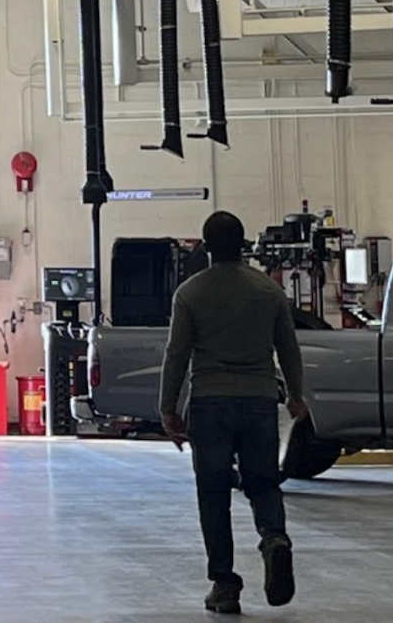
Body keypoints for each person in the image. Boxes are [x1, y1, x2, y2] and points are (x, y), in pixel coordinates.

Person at [159, 211, 305, 615]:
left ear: (205, 247)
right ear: (242, 245)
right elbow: (288, 348)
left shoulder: (190, 293)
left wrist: (167, 407)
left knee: (213, 493)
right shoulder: (268, 291)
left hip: (209, 403)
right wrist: (296, 394)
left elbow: (177, 354)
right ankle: (274, 536)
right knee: (263, 482)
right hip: (259, 399)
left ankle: (225, 585)